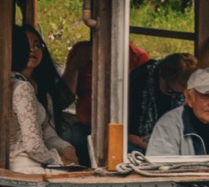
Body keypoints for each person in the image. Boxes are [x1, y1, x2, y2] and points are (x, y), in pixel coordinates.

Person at [62, 32, 149, 156]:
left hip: (122, 133)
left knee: (132, 152)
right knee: (62, 137)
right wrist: (74, 66)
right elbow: (63, 100)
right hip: (85, 129)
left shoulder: (137, 56)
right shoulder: (80, 51)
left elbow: (143, 107)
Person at [10, 27, 79, 173]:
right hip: (25, 167)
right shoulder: (17, 86)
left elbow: (48, 134)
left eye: (37, 45)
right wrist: (58, 160)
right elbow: (32, 146)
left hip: (39, 160)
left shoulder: (41, 90)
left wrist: (66, 148)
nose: (32, 50)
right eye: (26, 45)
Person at [128, 52, 194, 148]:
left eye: (180, 94)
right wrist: (152, 149)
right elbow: (129, 134)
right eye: (170, 91)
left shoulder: (185, 93)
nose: (174, 97)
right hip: (141, 143)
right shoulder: (137, 82)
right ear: (161, 75)